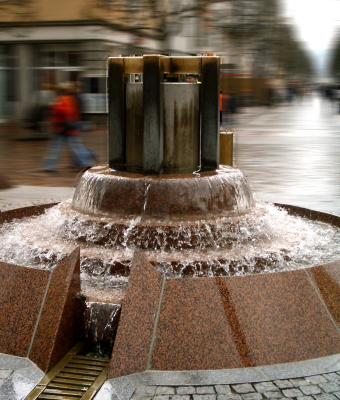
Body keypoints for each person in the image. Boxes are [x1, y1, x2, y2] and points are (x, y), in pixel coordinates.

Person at [42, 83, 95, 172]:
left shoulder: (64, 100)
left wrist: (55, 108)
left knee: (58, 148)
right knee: (72, 147)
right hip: (66, 128)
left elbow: (66, 112)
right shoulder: (68, 99)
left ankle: (50, 166)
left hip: (64, 128)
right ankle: (87, 162)